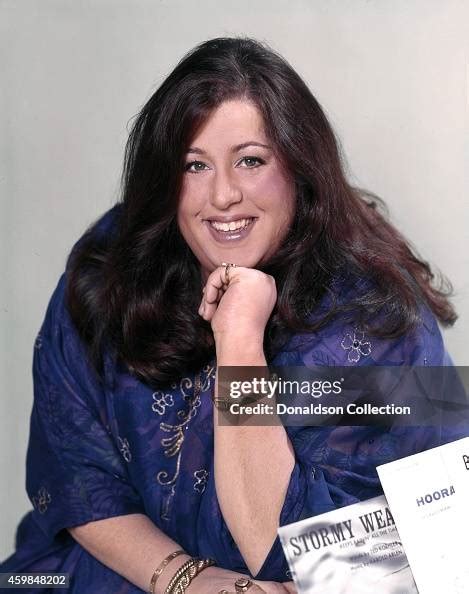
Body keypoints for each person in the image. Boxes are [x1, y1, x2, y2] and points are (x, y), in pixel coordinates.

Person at [1, 37, 466, 594]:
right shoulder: (111, 265)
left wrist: (240, 342)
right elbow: (76, 476)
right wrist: (185, 580)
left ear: (299, 164)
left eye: (250, 160)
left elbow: (305, 560)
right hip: (124, 572)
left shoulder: (380, 315)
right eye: (194, 165)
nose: (222, 195)